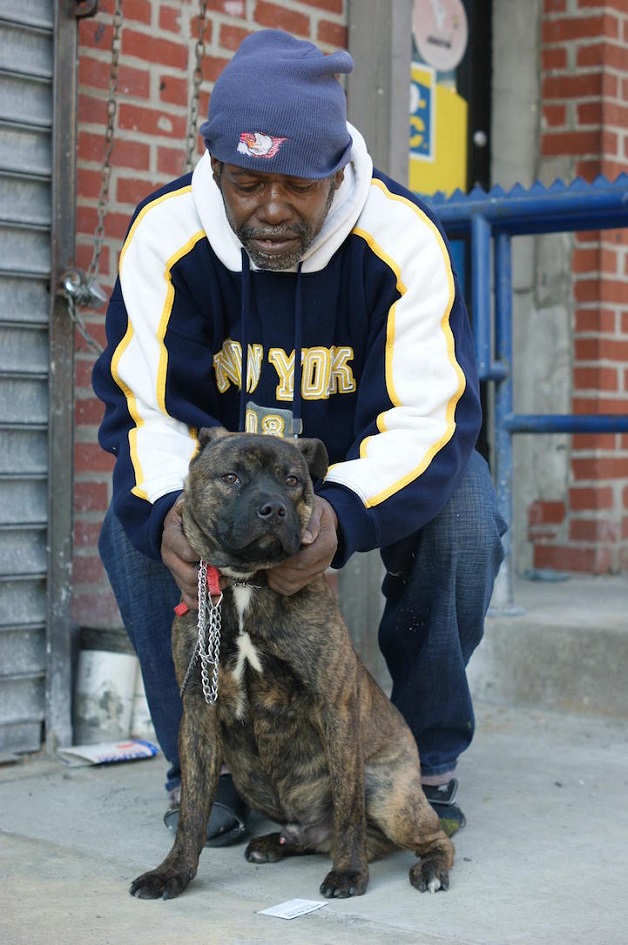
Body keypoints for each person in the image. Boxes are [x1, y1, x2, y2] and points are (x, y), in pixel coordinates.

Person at [93, 29, 506, 844]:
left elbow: (431, 419)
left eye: (299, 186)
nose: (272, 208)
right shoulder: (165, 236)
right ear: (213, 165)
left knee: (464, 509)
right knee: (133, 524)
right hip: (226, 482)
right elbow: (146, 410)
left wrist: (342, 515)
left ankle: (418, 756)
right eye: (247, 183)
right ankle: (207, 768)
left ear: (339, 170)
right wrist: (174, 509)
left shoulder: (401, 239)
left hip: (359, 468)